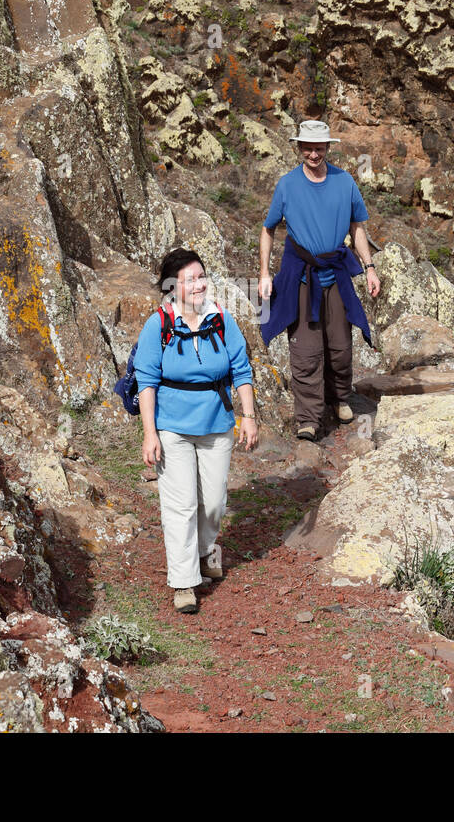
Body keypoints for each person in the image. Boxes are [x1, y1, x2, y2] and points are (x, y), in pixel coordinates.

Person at [135, 248, 258, 614]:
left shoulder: (221, 319)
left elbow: (241, 368)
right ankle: (184, 582)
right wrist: (149, 432)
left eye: (202, 276)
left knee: (214, 502)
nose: (200, 284)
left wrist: (248, 415)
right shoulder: (158, 324)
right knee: (181, 504)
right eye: (191, 279)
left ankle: (206, 552)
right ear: (173, 287)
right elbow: (146, 380)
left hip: (217, 422)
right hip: (171, 425)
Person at [258, 119, 380, 441]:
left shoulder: (345, 182)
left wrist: (369, 267)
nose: (313, 153)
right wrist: (265, 274)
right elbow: (267, 229)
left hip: (336, 271)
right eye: (308, 147)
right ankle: (308, 418)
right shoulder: (287, 185)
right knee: (306, 350)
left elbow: (358, 229)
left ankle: (340, 397)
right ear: (299, 148)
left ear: (328, 147)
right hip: (301, 274)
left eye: (319, 147)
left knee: (340, 346)